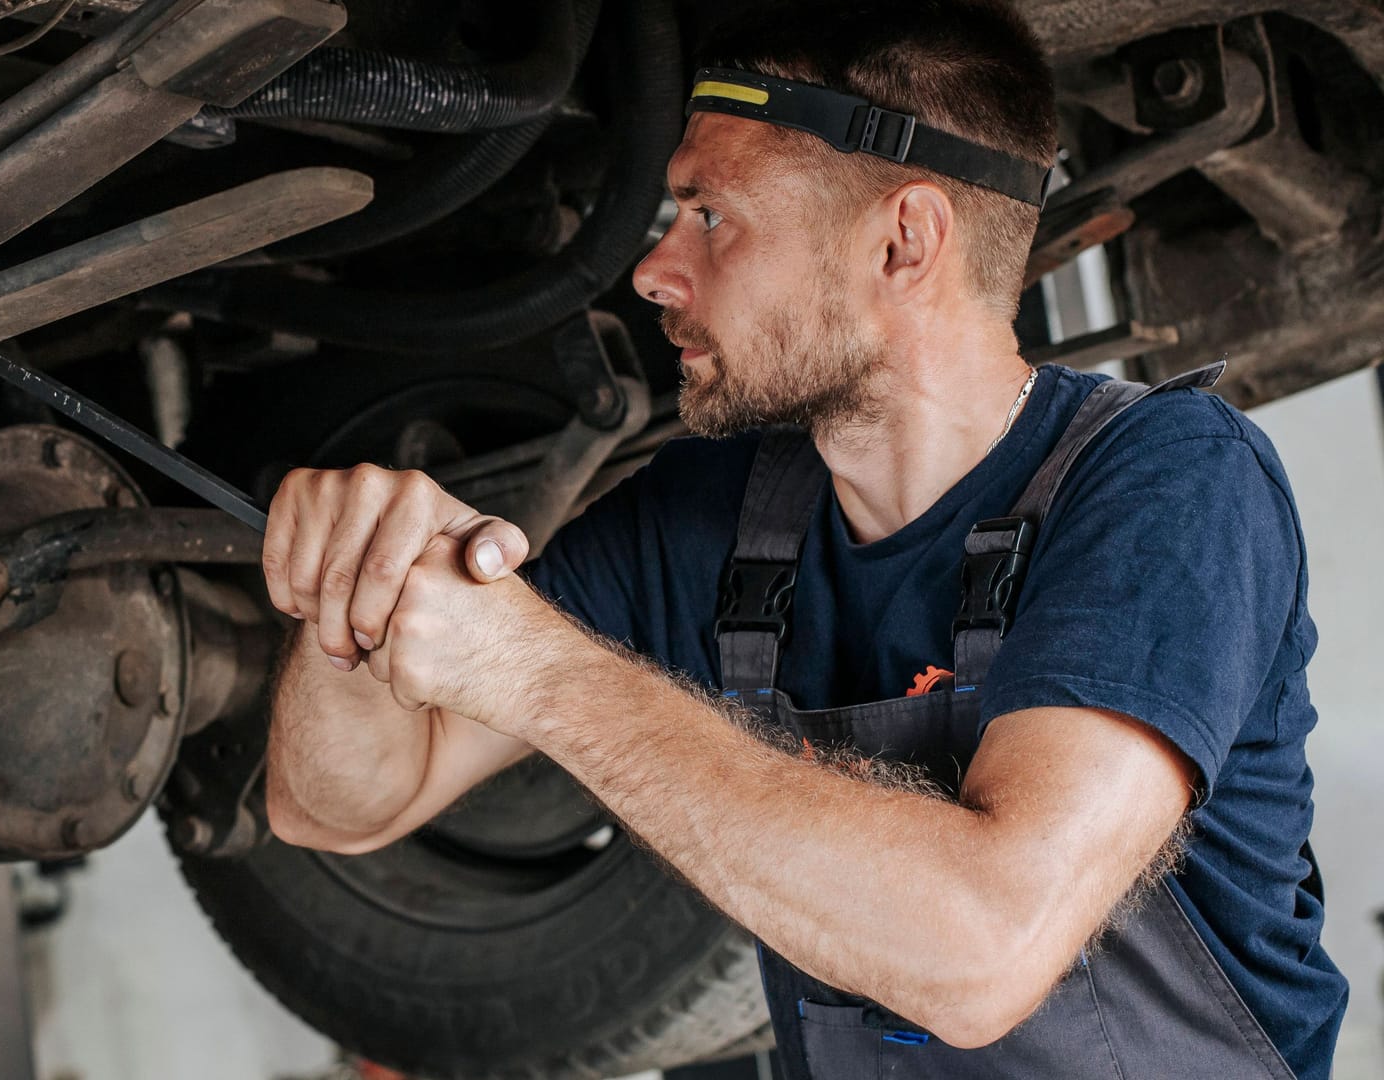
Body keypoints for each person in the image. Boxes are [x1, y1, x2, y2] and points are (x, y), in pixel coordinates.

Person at [258, 1, 1347, 1076]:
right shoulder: (716, 518)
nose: (653, 270)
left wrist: (543, 675)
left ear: (904, 240)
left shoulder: (1169, 482)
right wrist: (351, 591)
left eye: (711, 214)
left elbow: (981, 952)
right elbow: (338, 805)